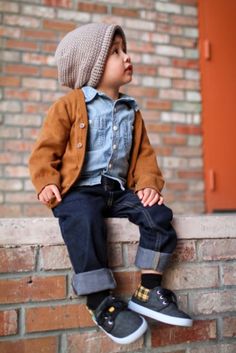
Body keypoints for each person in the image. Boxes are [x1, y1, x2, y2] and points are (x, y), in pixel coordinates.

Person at [29, 23, 192, 345]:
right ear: (91, 65)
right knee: (82, 221)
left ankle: (149, 288)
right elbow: (45, 151)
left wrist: (148, 184)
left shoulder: (132, 110)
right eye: (115, 52)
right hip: (79, 189)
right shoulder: (69, 105)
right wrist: (46, 181)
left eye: (124, 49)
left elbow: (144, 155)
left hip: (117, 191)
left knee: (158, 215)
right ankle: (100, 302)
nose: (126, 57)